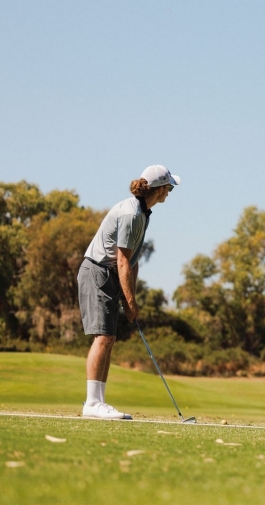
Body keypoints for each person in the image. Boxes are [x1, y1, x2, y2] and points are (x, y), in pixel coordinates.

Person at [77, 164, 180, 419]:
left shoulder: (143, 213)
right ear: (159, 189)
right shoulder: (132, 214)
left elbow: (132, 264)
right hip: (97, 271)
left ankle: (98, 402)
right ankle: (91, 403)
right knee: (103, 337)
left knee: (109, 338)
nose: (170, 191)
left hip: (109, 274)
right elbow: (122, 261)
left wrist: (129, 297)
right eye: (169, 187)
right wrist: (131, 302)